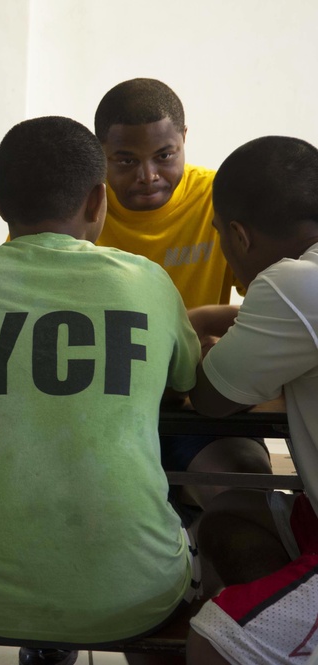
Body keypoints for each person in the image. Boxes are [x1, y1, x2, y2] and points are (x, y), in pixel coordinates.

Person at [0, 116, 201, 665]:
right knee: (165, 551)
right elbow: (184, 379)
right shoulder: (148, 282)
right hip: (136, 591)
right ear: (98, 200)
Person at [93, 78, 272, 519]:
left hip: (197, 405)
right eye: (125, 160)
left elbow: (276, 306)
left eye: (164, 156)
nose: (148, 176)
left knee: (246, 498)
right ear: (100, 153)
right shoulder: (77, 205)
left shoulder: (220, 199)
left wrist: (221, 337)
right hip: (96, 404)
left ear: (185, 140)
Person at [183, 136, 318, 664]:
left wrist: (195, 334)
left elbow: (212, 398)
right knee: (229, 520)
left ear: (238, 235)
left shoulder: (294, 283)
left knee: (217, 637)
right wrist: (215, 320)